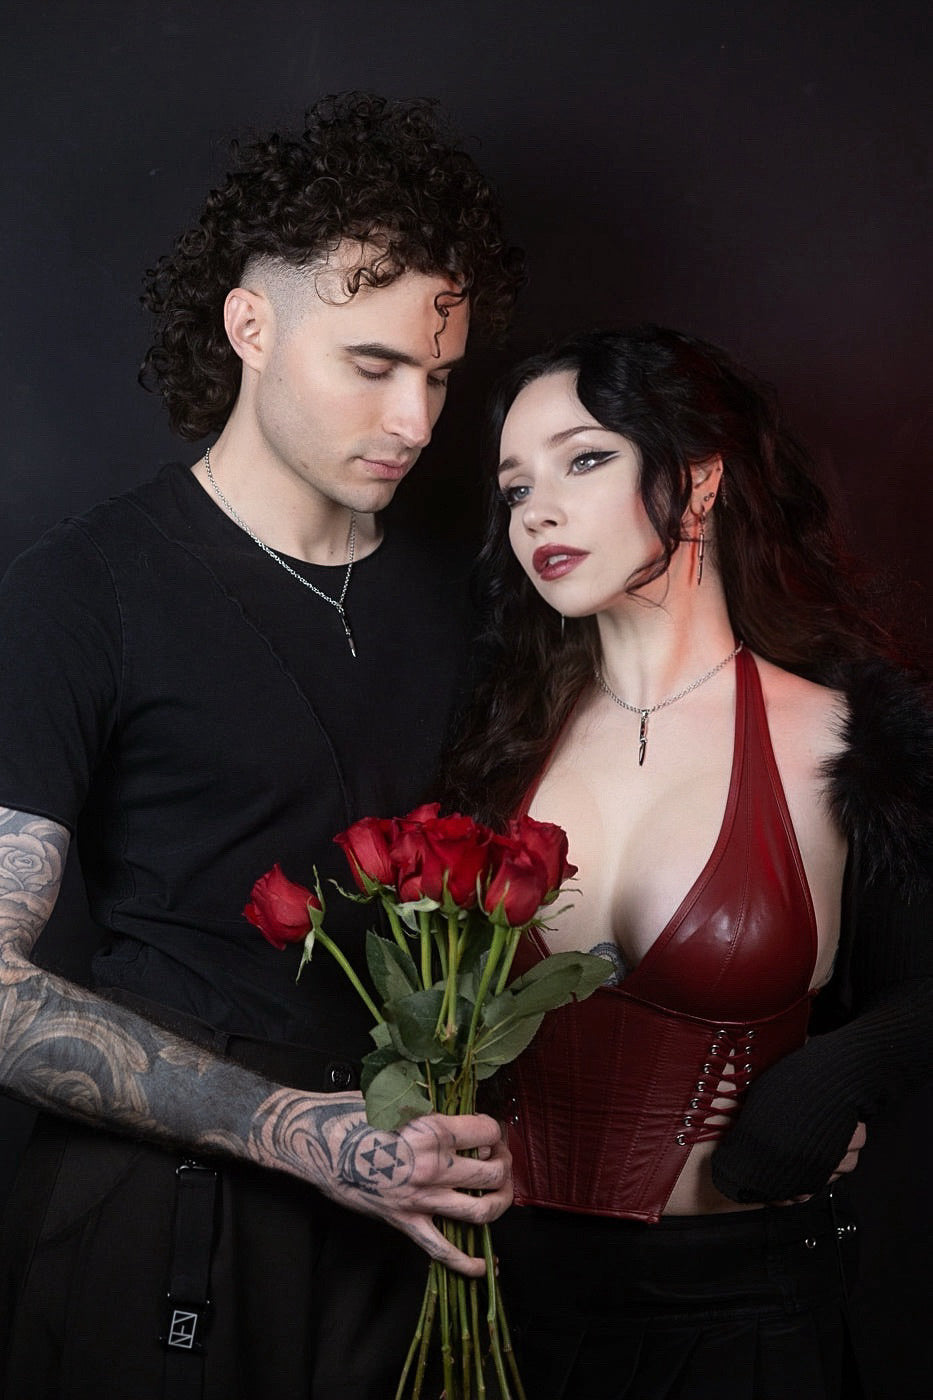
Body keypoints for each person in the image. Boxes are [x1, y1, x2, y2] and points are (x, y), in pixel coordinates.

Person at [0, 92, 524, 1399]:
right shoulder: (85, 588)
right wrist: (289, 1127)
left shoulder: (465, 600)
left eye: (440, 377)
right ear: (250, 325)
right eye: (373, 365)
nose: (416, 420)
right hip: (162, 1219)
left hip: (402, 1235)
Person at [443, 325, 933, 1399]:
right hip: (498, 1304)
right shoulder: (494, 746)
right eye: (515, 488)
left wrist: (835, 1077)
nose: (538, 512)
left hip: (744, 1314)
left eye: (583, 460)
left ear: (697, 479)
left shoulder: (850, 737)